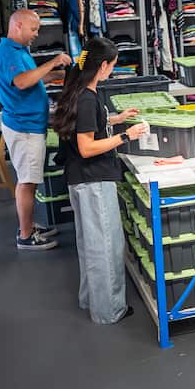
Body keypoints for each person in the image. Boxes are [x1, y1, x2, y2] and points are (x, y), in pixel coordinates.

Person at [51, 37, 148, 325]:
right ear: (103, 65)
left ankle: (91, 299)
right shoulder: (87, 98)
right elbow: (87, 147)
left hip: (81, 180)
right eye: (113, 66)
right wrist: (126, 135)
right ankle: (108, 311)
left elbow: (89, 126)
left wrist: (116, 119)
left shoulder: (80, 91)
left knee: (90, 245)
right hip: (93, 181)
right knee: (105, 247)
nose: (113, 71)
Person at [0, 8, 72, 251]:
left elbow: (31, 79)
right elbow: (22, 81)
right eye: (33, 29)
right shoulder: (9, 53)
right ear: (18, 26)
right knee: (27, 182)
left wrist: (56, 74)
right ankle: (26, 236)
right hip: (24, 128)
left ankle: (27, 226)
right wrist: (53, 62)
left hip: (29, 124)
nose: (36, 34)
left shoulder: (19, 51)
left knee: (31, 180)